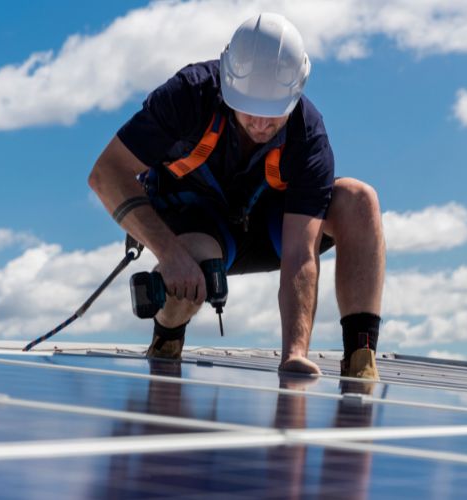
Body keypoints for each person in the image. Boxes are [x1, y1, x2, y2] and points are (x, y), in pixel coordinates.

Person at [89, 12, 385, 379]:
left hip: (273, 230)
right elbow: (106, 173)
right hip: (197, 223)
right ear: (228, 84)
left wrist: (294, 354)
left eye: (273, 114)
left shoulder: (308, 136)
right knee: (196, 258)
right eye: (250, 110)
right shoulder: (189, 94)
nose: (261, 124)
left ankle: (361, 357)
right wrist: (168, 252)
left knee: (359, 199)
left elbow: (299, 255)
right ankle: (167, 339)